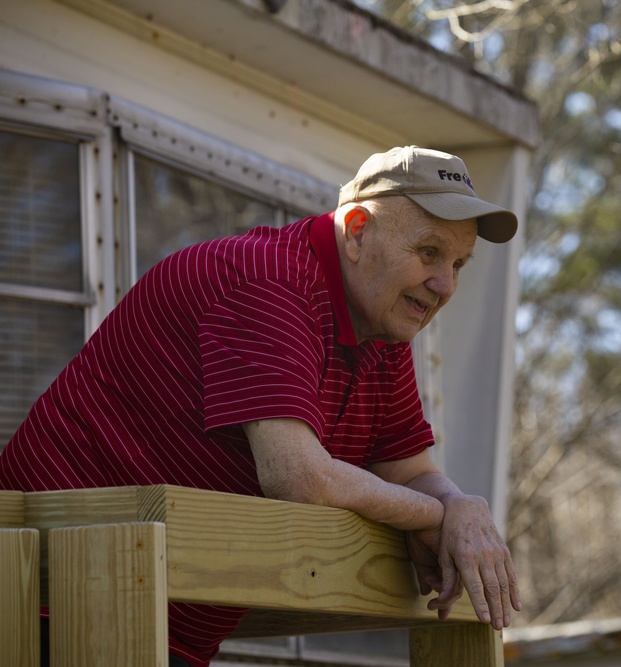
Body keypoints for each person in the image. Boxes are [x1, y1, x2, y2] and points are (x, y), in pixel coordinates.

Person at [0, 146, 521, 667]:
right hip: (39, 599)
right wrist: (443, 514)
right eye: (429, 252)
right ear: (358, 231)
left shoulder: (383, 330)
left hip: (140, 610)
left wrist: (461, 505)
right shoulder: (268, 280)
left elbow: (408, 471)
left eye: (458, 264)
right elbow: (297, 477)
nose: (445, 285)